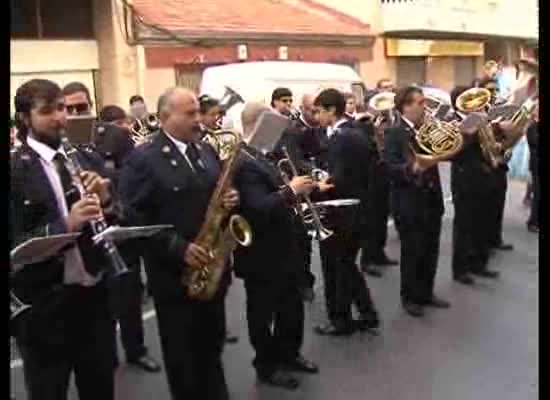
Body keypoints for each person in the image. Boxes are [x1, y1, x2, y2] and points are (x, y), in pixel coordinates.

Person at [119, 87, 238, 400]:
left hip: (211, 270)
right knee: (184, 359)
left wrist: (229, 199)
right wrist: (177, 247)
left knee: (211, 349)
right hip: (174, 277)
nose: (198, 120)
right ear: (163, 117)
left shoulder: (205, 151)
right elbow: (131, 218)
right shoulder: (143, 159)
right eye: (190, 114)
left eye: (198, 112)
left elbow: (214, 195)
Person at [11, 79, 117, 400]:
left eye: (62, 109)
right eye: (48, 111)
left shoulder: (86, 158)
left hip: (93, 297)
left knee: (100, 387)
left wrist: (107, 201)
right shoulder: (15, 169)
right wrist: (66, 225)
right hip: (45, 305)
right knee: (49, 390)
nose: (60, 118)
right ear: (24, 119)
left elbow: (117, 217)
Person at [233, 102, 320, 390]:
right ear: (261, 124)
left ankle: (289, 353)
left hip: (284, 245)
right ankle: (267, 366)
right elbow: (257, 208)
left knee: (291, 308)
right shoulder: (243, 161)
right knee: (263, 313)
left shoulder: (263, 156)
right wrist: (290, 190)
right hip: (260, 253)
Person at [313, 89, 380, 336]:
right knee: (346, 265)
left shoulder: (341, 137)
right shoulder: (357, 132)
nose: (317, 116)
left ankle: (340, 320)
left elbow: (337, 179)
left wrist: (316, 184)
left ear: (331, 110)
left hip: (342, 211)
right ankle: (367, 312)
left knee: (336, 267)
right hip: (359, 209)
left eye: (319, 111)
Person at [384, 86, 450, 318]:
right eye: (421, 102)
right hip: (409, 202)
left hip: (431, 199)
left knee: (431, 249)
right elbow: (389, 167)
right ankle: (410, 297)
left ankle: (426, 292)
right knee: (413, 252)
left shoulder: (429, 127)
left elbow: (446, 151)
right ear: (406, 106)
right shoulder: (394, 132)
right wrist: (411, 168)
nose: (425, 107)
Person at [449, 85, 500, 286]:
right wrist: (469, 132)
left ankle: (480, 263)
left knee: (482, 222)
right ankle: (460, 269)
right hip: (464, 178)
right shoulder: (453, 123)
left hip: (484, 177)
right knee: (464, 224)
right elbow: (453, 153)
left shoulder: (482, 119)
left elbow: (492, 145)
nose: (475, 104)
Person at [478, 77, 515, 252]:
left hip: (500, 164)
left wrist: (508, 148)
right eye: (488, 90)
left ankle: (495, 239)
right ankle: (484, 241)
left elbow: (506, 137)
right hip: (483, 167)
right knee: (485, 208)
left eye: (494, 90)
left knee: (498, 204)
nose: (492, 94)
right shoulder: (476, 113)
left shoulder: (500, 109)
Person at [526, 105, 539, 233]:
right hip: (536, 166)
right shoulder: (532, 127)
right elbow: (535, 142)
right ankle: (533, 222)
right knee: (537, 194)